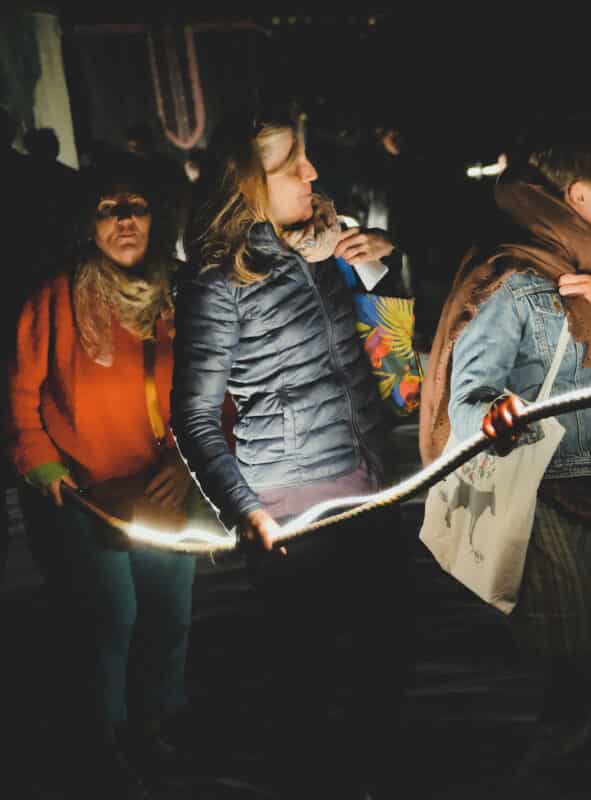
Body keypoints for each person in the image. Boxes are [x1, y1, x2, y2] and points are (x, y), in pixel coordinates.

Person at [419, 122, 591, 789]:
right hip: (541, 501)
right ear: (576, 194)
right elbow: (467, 395)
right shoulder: (514, 279)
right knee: (584, 692)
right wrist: (494, 417)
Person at [171, 104, 406, 799]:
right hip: (293, 509)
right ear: (248, 181)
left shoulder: (326, 248)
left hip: (370, 485)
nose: (312, 172)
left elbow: (395, 364)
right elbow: (193, 416)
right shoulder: (220, 281)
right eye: (291, 165)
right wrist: (243, 510)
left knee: (385, 664)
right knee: (308, 680)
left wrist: (381, 271)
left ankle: (376, 777)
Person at [7, 156, 198, 799]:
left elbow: (212, 391)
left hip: (166, 486)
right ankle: (106, 741)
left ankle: (156, 726)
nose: (124, 220)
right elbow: (22, 394)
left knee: (168, 618)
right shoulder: (57, 297)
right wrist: (44, 464)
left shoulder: (179, 294)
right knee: (111, 622)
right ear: (87, 222)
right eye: (108, 209)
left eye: (135, 207)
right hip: (88, 494)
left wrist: (188, 463)